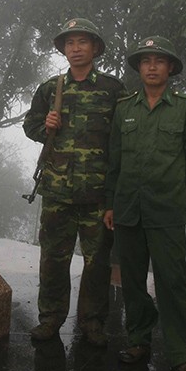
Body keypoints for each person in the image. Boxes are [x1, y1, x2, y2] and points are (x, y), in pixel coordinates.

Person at [104, 36, 186, 371]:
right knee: (132, 282)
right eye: (145, 61)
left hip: (166, 213)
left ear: (171, 69)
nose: (151, 66)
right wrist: (110, 204)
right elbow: (114, 162)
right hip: (129, 211)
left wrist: (181, 200)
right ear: (139, 68)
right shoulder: (125, 109)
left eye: (159, 61)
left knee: (172, 283)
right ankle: (138, 340)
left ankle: (182, 355)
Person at [23, 18, 125, 344]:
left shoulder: (112, 90)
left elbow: (122, 138)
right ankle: (50, 318)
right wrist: (46, 125)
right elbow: (31, 126)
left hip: (96, 194)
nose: (76, 48)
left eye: (82, 42)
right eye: (70, 43)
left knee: (97, 264)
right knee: (53, 259)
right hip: (58, 191)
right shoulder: (50, 89)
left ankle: (92, 322)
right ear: (64, 49)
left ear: (94, 48)